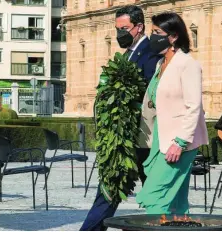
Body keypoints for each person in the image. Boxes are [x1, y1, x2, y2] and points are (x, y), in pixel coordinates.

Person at [80, 5, 161, 231]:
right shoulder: (128, 53)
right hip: (124, 138)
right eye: (117, 29)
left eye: (124, 28)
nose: (120, 34)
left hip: (143, 135)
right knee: (111, 188)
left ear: (139, 27)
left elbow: (149, 91)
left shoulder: (151, 52)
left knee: (152, 194)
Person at [136, 12, 208, 215]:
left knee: (154, 194)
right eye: (152, 32)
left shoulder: (188, 64)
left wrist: (180, 142)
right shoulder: (161, 65)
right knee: (176, 198)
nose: (153, 37)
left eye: (158, 32)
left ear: (174, 36)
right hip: (161, 135)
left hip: (179, 141)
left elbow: (194, 107)